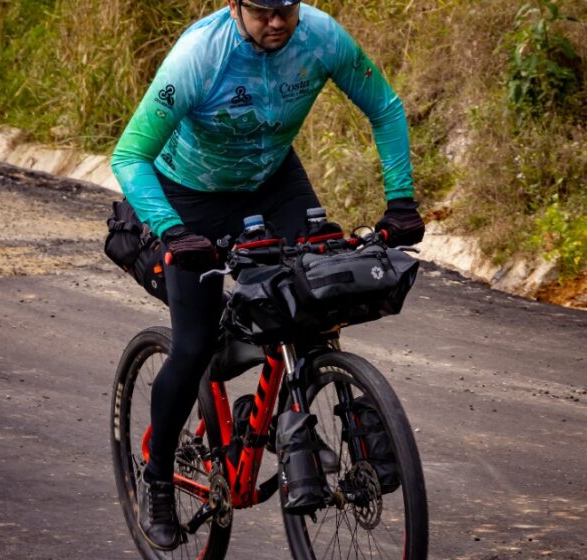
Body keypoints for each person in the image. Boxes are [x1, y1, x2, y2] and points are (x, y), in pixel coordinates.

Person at [110, 0, 425, 550]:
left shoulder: (322, 37)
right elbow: (130, 155)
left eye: (287, 8)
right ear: (235, 5)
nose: (277, 21)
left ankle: (305, 411)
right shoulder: (198, 56)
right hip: (191, 196)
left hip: (273, 181)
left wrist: (399, 201)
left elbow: (387, 106)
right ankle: (157, 479)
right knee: (193, 346)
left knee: (318, 299)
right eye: (261, 11)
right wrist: (171, 229)